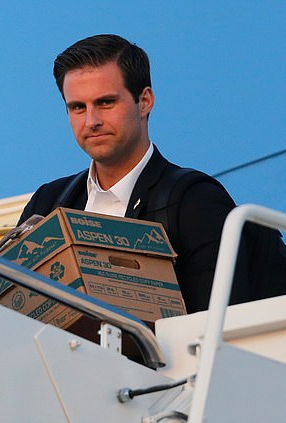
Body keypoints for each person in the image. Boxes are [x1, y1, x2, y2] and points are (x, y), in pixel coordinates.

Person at [18, 34, 253, 314]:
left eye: (105, 103)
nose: (91, 121)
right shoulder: (47, 202)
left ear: (145, 101)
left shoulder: (195, 201)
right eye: (77, 107)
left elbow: (221, 329)